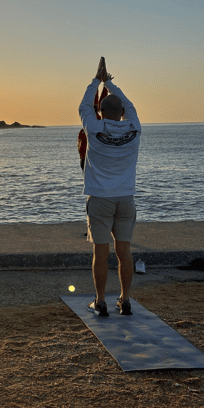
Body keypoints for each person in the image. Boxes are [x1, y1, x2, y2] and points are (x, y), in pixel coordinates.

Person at [80, 61, 141, 317]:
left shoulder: (94, 129)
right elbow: (129, 105)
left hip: (100, 199)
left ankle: (101, 300)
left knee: (101, 251)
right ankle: (125, 300)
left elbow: (84, 106)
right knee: (124, 251)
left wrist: (97, 81)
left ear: (101, 112)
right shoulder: (135, 128)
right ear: (122, 112)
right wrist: (110, 84)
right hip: (125, 199)